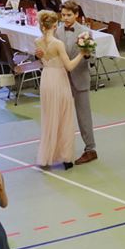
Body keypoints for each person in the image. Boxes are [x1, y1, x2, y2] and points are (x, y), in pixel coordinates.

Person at [47, 3, 99, 165]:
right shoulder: (57, 31)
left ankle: (90, 149)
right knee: (61, 115)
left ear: (76, 14)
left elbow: (93, 57)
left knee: (84, 116)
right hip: (62, 78)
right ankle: (62, 150)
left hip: (80, 78)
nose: (65, 18)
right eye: (63, 15)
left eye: (69, 15)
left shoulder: (85, 32)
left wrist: (87, 54)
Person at [31, 18, 84, 171]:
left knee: (49, 117)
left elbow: (42, 59)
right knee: (64, 117)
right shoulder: (58, 44)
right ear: (55, 25)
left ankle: (47, 155)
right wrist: (82, 53)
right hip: (59, 79)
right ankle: (66, 157)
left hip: (46, 78)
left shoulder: (37, 41)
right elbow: (69, 66)